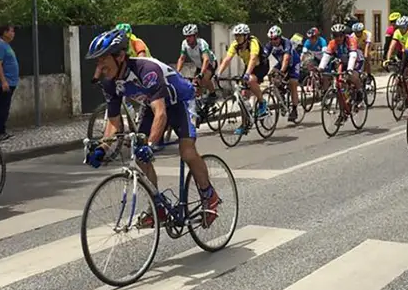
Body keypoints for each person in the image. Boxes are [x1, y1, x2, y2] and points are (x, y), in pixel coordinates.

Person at [84, 29, 219, 228]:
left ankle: (210, 195)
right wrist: (103, 149)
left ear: (120, 56)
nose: (100, 66)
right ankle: (158, 208)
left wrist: (149, 144)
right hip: (152, 104)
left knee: (187, 151)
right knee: (139, 155)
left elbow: (161, 114)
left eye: (103, 59)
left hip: (180, 101)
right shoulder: (110, 82)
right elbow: (114, 122)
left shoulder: (146, 70)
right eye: (97, 61)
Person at [215, 23, 269, 134]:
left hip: (261, 65)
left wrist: (247, 74)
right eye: (236, 36)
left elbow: (253, 59)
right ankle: (245, 124)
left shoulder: (253, 42)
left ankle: (262, 102)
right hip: (248, 65)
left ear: (246, 36)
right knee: (243, 96)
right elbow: (227, 59)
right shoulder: (235, 45)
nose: (237, 38)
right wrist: (218, 73)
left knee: (250, 80)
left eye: (239, 35)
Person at [262, 25, 302, 122]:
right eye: (271, 39)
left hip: (293, 63)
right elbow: (263, 56)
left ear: (280, 37)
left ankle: (294, 109)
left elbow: (286, 58)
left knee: (293, 83)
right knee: (272, 76)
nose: (273, 41)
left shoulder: (286, 43)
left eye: (275, 39)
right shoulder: (270, 44)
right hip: (281, 63)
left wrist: (282, 72)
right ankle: (281, 95)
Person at [175, 23, 217, 104]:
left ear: (195, 36)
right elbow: (182, 58)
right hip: (199, 65)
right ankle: (199, 104)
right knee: (195, 85)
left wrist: (201, 74)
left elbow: (206, 59)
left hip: (210, 64)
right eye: (186, 36)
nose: (187, 38)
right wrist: (177, 72)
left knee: (204, 78)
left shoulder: (202, 43)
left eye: (190, 36)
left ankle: (213, 94)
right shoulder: (184, 44)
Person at [0, 25, 19, 141]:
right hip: (5, 82)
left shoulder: (6, 45)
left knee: (5, 107)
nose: (13, 33)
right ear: (4, 32)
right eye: (11, 31)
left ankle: (2, 130)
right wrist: (3, 81)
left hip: (11, 81)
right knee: (3, 107)